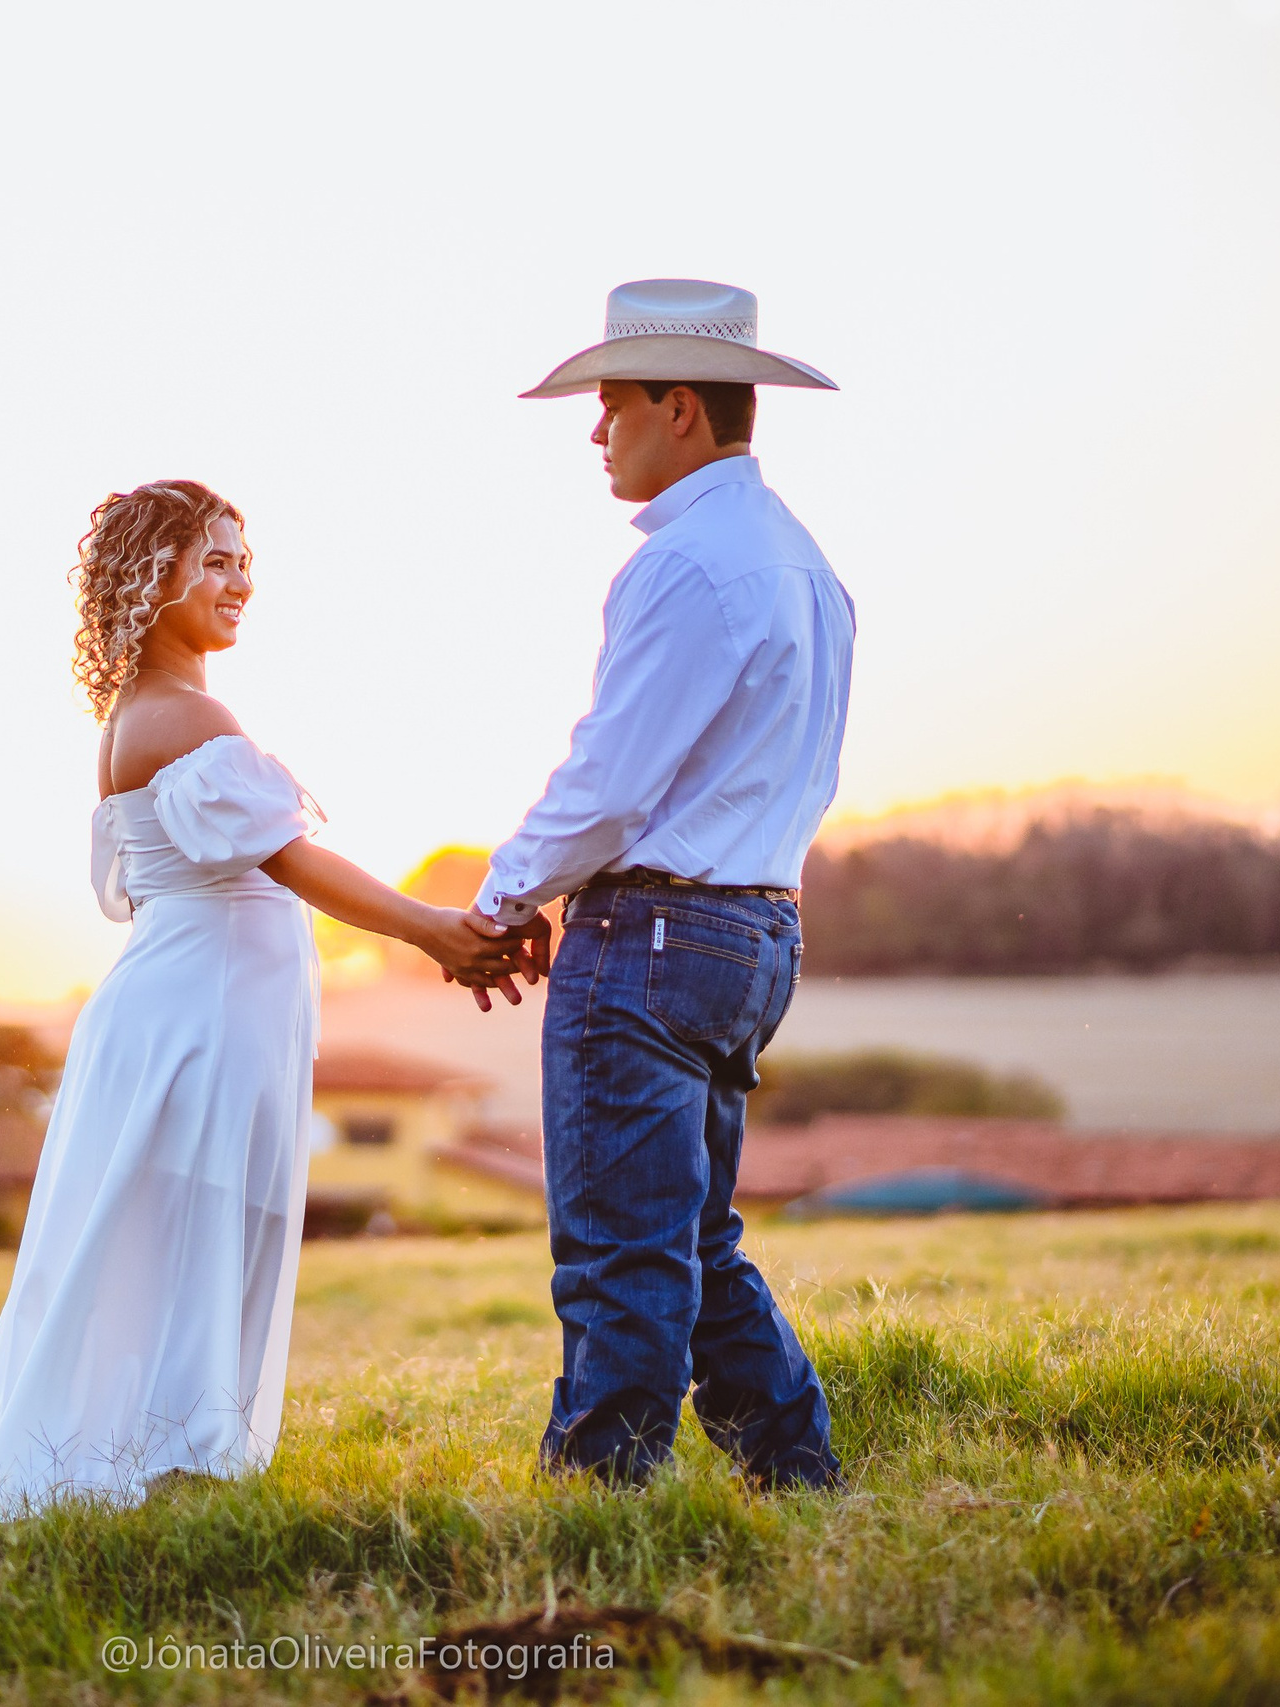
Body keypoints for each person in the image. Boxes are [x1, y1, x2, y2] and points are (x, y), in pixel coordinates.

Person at [0, 480, 531, 1527]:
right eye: (216, 560)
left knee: (180, 1237)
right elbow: (294, 861)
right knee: (190, 1238)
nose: (241, 582)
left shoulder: (150, 708)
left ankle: (164, 1465)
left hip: (198, 1012)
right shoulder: (185, 713)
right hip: (198, 1022)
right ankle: (173, 1469)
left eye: (245, 561)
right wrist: (433, 929)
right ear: (154, 576)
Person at [476, 279, 855, 1491]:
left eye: (610, 406)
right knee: (694, 1240)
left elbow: (609, 784)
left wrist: (497, 901)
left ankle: (600, 1508)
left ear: (678, 408)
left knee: (618, 1255)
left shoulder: (686, 566)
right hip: (755, 935)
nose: (596, 433)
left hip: (651, 934)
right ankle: (798, 1483)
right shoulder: (803, 564)